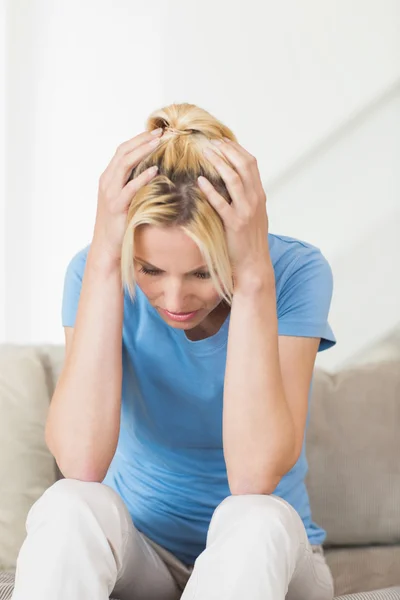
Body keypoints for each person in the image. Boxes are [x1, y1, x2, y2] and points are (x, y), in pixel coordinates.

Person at [12, 103, 337, 600]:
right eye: (149, 270)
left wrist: (252, 279)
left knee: (255, 517)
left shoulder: (293, 272)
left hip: (267, 559)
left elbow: (253, 477)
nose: (174, 300)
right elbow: (80, 461)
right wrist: (104, 260)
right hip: (146, 555)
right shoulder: (97, 270)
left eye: (202, 273)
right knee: (69, 504)